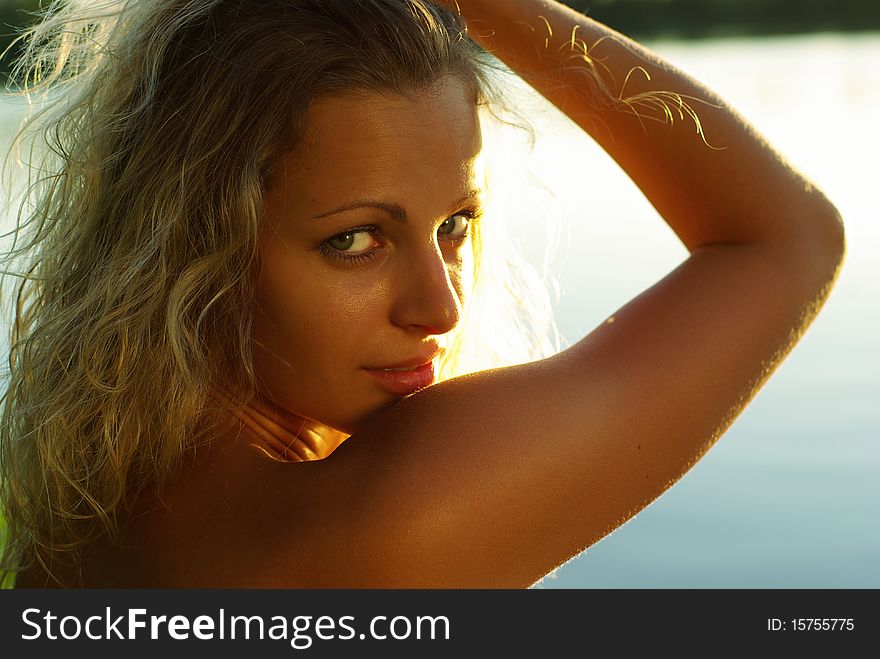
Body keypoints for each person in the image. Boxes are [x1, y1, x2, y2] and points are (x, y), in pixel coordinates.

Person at [0, 0, 844, 588]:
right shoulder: (381, 527)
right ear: (190, 247)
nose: (439, 308)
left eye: (456, 225)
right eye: (354, 241)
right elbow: (785, 241)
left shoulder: (83, 515)